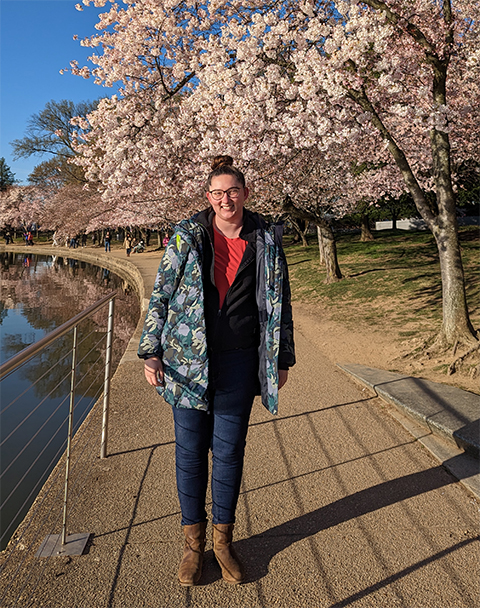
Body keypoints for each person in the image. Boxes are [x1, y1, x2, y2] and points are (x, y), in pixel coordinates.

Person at [138, 156, 295, 587]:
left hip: (240, 361)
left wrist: (282, 359)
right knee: (189, 453)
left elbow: (281, 301)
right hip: (187, 361)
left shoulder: (265, 238)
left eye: (233, 191)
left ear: (245, 194)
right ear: (208, 198)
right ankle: (193, 546)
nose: (225, 199)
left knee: (228, 452)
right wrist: (151, 351)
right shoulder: (189, 235)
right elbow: (161, 293)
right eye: (217, 193)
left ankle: (223, 541)